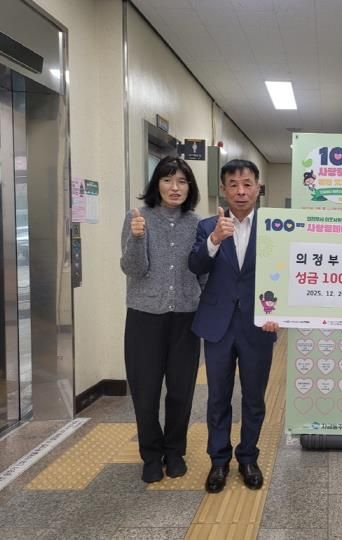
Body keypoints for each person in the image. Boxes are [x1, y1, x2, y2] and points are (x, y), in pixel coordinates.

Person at [189, 159, 278, 494]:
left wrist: (281, 312)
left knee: (254, 397)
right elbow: (194, 265)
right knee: (218, 397)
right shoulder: (207, 226)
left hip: (259, 324)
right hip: (218, 325)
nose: (241, 191)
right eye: (233, 185)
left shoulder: (275, 226)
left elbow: (288, 271)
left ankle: (248, 457)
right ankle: (219, 461)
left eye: (247, 184)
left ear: (258, 187)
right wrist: (214, 239)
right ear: (223, 189)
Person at [120, 156, 202, 483]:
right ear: (157, 184)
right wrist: (137, 238)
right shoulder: (138, 218)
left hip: (185, 318)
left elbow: (203, 272)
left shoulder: (197, 224)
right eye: (168, 180)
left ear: (190, 187)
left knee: (181, 390)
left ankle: (175, 451)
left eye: (182, 181)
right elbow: (133, 269)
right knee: (146, 391)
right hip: (144, 318)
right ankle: (151, 455)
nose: (175, 187)